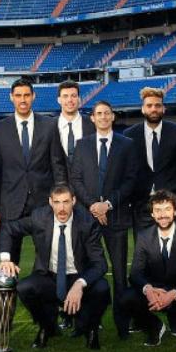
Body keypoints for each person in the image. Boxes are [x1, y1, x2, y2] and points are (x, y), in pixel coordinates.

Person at [0, 184, 111, 350]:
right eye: (57, 202)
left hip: (78, 276)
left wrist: (80, 284)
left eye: (66, 202)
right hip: (49, 276)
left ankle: (90, 328)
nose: (62, 208)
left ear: (74, 200)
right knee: (25, 287)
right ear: (50, 202)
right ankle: (47, 326)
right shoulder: (39, 217)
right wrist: (6, 258)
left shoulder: (87, 222)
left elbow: (100, 264)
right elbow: (8, 228)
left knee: (102, 287)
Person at [69, 100, 138, 338]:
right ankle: (86, 322)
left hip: (116, 217)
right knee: (85, 270)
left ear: (113, 116)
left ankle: (122, 324)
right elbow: (75, 180)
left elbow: (131, 180)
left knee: (119, 273)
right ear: (92, 118)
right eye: (98, 113)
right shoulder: (82, 145)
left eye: (107, 113)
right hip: (87, 219)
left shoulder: (127, 144)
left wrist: (107, 205)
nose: (103, 117)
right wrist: (92, 206)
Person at [0, 78, 69, 262]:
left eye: (26, 95)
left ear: (33, 96)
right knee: (8, 261)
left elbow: (57, 165)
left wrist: (62, 199)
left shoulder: (49, 125)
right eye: (18, 95)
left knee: (48, 259)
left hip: (43, 202)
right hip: (10, 204)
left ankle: (45, 291)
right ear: (11, 98)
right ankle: (11, 292)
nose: (22, 99)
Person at [122, 190, 176, 349]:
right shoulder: (144, 236)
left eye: (167, 209)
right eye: (158, 210)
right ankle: (154, 327)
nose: (163, 215)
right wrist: (149, 289)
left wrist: (174, 294)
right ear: (152, 214)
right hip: (155, 291)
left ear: (175, 211)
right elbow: (135, 273)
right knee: (126, 297)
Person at [123, 87, 176, 232]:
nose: (154, 109)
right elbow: (127, 171)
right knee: (144, 250)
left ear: (164, 108)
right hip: (141, 203)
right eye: (149, 106)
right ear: (143, 109)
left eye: (158, 105)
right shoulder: (129, 134)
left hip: (171, 201)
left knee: (174, 250)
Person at [56, 80, 95, 165]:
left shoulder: (93, 124)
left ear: (79, 99)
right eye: (65, 96)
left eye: (73, 96)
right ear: (59, 100)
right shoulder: (49, 126)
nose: (70, 100)